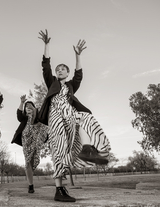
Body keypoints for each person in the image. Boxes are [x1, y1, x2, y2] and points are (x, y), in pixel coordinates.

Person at [38, 30, 111, 202]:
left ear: (67, 73)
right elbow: (46, 67)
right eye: (58, 69)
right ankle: (59, 190)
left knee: (84, 118)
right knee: (59, 149)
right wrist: (47, 45)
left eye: (63, 69)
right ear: (56, 74)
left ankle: (87, 149)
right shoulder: (52, 83)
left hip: (69, 114)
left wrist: (78, 56)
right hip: (55, 115)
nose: (60, 70)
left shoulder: (71, 86)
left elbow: (79, 76)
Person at [11, 95, 48, 194]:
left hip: (35, 142)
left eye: (30, 106)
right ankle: (30, 185)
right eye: (26, 107)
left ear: (34, 108)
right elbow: (19, 114)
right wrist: (22, 102)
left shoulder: (38, 118)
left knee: (33, 162)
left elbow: (45, 121)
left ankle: (31, 174)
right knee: (28, 163)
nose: (28, 108)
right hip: (26, 141)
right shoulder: (23, 118)